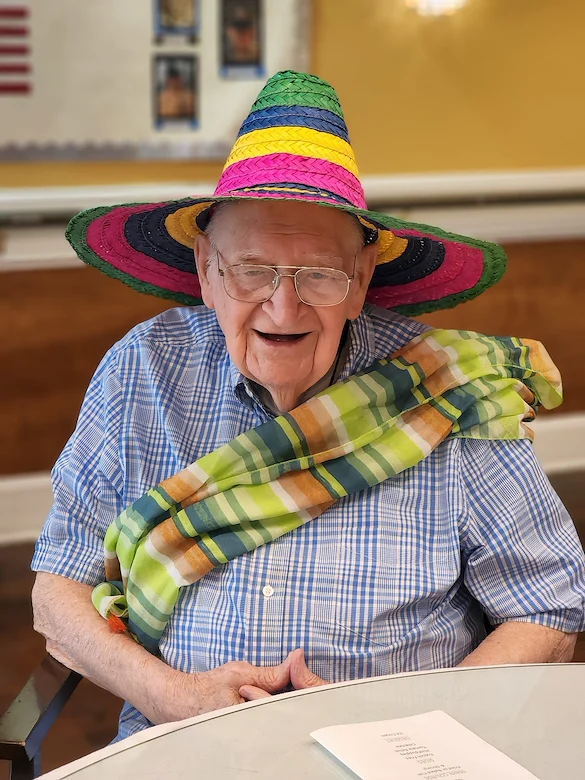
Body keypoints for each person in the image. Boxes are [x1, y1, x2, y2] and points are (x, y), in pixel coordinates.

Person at [32, 70, 585, 741]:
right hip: (183, 744)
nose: (283, 307)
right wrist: (174, 697)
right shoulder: (141, 371)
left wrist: (413, 731)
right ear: (206, 269)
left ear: (361, 282)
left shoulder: (449, 388)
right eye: (252, 269)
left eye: (319, 273)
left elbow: (547, 609)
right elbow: (56, 593)